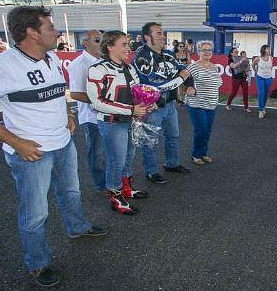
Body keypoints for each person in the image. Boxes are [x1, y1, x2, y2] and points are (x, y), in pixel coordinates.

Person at [0, 6, 107, 287]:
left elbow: (54, 93)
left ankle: (77, 227)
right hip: (31, 152)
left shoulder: (50, 57)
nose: (57, 32)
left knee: (71, 192)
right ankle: (38, 263)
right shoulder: (1, 65)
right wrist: (16, 142)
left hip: (63, 143)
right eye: (51, 27)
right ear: (32, 33)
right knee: (35, 211)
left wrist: (67, 114)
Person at [87, 30, 149, 215]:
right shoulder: (98, 69)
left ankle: (126, 189)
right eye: (123, 44)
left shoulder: (129, 68)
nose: (128, 48)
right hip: (112, 124)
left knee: (128, 158)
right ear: (109, 46)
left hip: (129, 121)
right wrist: (131, 110)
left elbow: (137, 93)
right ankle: (115, 197)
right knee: (116, 161)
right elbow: (96, 102)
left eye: (127, 44)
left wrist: (145, 104)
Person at [132, 22, 194, 184]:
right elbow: (152, 88)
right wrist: (180, 79)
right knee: (150, 140)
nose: (163, 36)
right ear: (147, 37)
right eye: (158, 33)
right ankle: (151, 171)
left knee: (173, 136)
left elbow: (185, 71)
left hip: (170, 105)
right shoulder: (141, 57)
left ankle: (172, 164)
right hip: (153, 108)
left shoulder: (168, 54)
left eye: (163, 33)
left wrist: (189, 85)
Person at [67, 29, 106, 193]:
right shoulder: (79, 64)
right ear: (85, 43)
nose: (102, 44)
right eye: (97, 40)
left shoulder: (104, 61)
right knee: (96, 153)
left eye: (103, 40)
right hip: (92, 117)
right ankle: (101, 185)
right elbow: (75, 93)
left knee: (111, 151)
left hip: (109, 115)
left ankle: (112, 181)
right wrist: (104, 102)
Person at [185, 41, 223, 165]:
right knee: (201, 129)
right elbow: (185, 79)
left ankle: (203, 153)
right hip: (197, 103)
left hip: (211, 104)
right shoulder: (193, 66)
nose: (207, 52)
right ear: (198, 52)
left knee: (207, 130)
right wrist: (190, 87)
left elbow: (218, 82)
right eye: (204, 50)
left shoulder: (214, 67)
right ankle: (196, 155)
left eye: (209, 50)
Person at [226, 47, 251, 112]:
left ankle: (246, 107)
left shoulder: (240, 57)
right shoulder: (230, 60)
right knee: (234, 93)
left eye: (237, 51)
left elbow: (246, 65)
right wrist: (241, 61)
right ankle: (228, 104)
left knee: (245, 93)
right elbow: (234, 66)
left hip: (243, 77)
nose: (237, 53)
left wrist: (247, 64)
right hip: (236, 78)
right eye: (235, 52)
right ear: (231, 53)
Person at [251, 44, 273, 119]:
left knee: (266, 94)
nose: (269, 50)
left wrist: (268, 74)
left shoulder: (271, 58)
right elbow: (253, 65)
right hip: (259, 77)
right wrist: (256, 71)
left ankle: (263, 107)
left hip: (268, 78)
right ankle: (260, 110)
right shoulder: (258, 58)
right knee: (261, 93)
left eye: (269, 49)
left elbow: (271, 67)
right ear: (263, 50)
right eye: (267, 49)